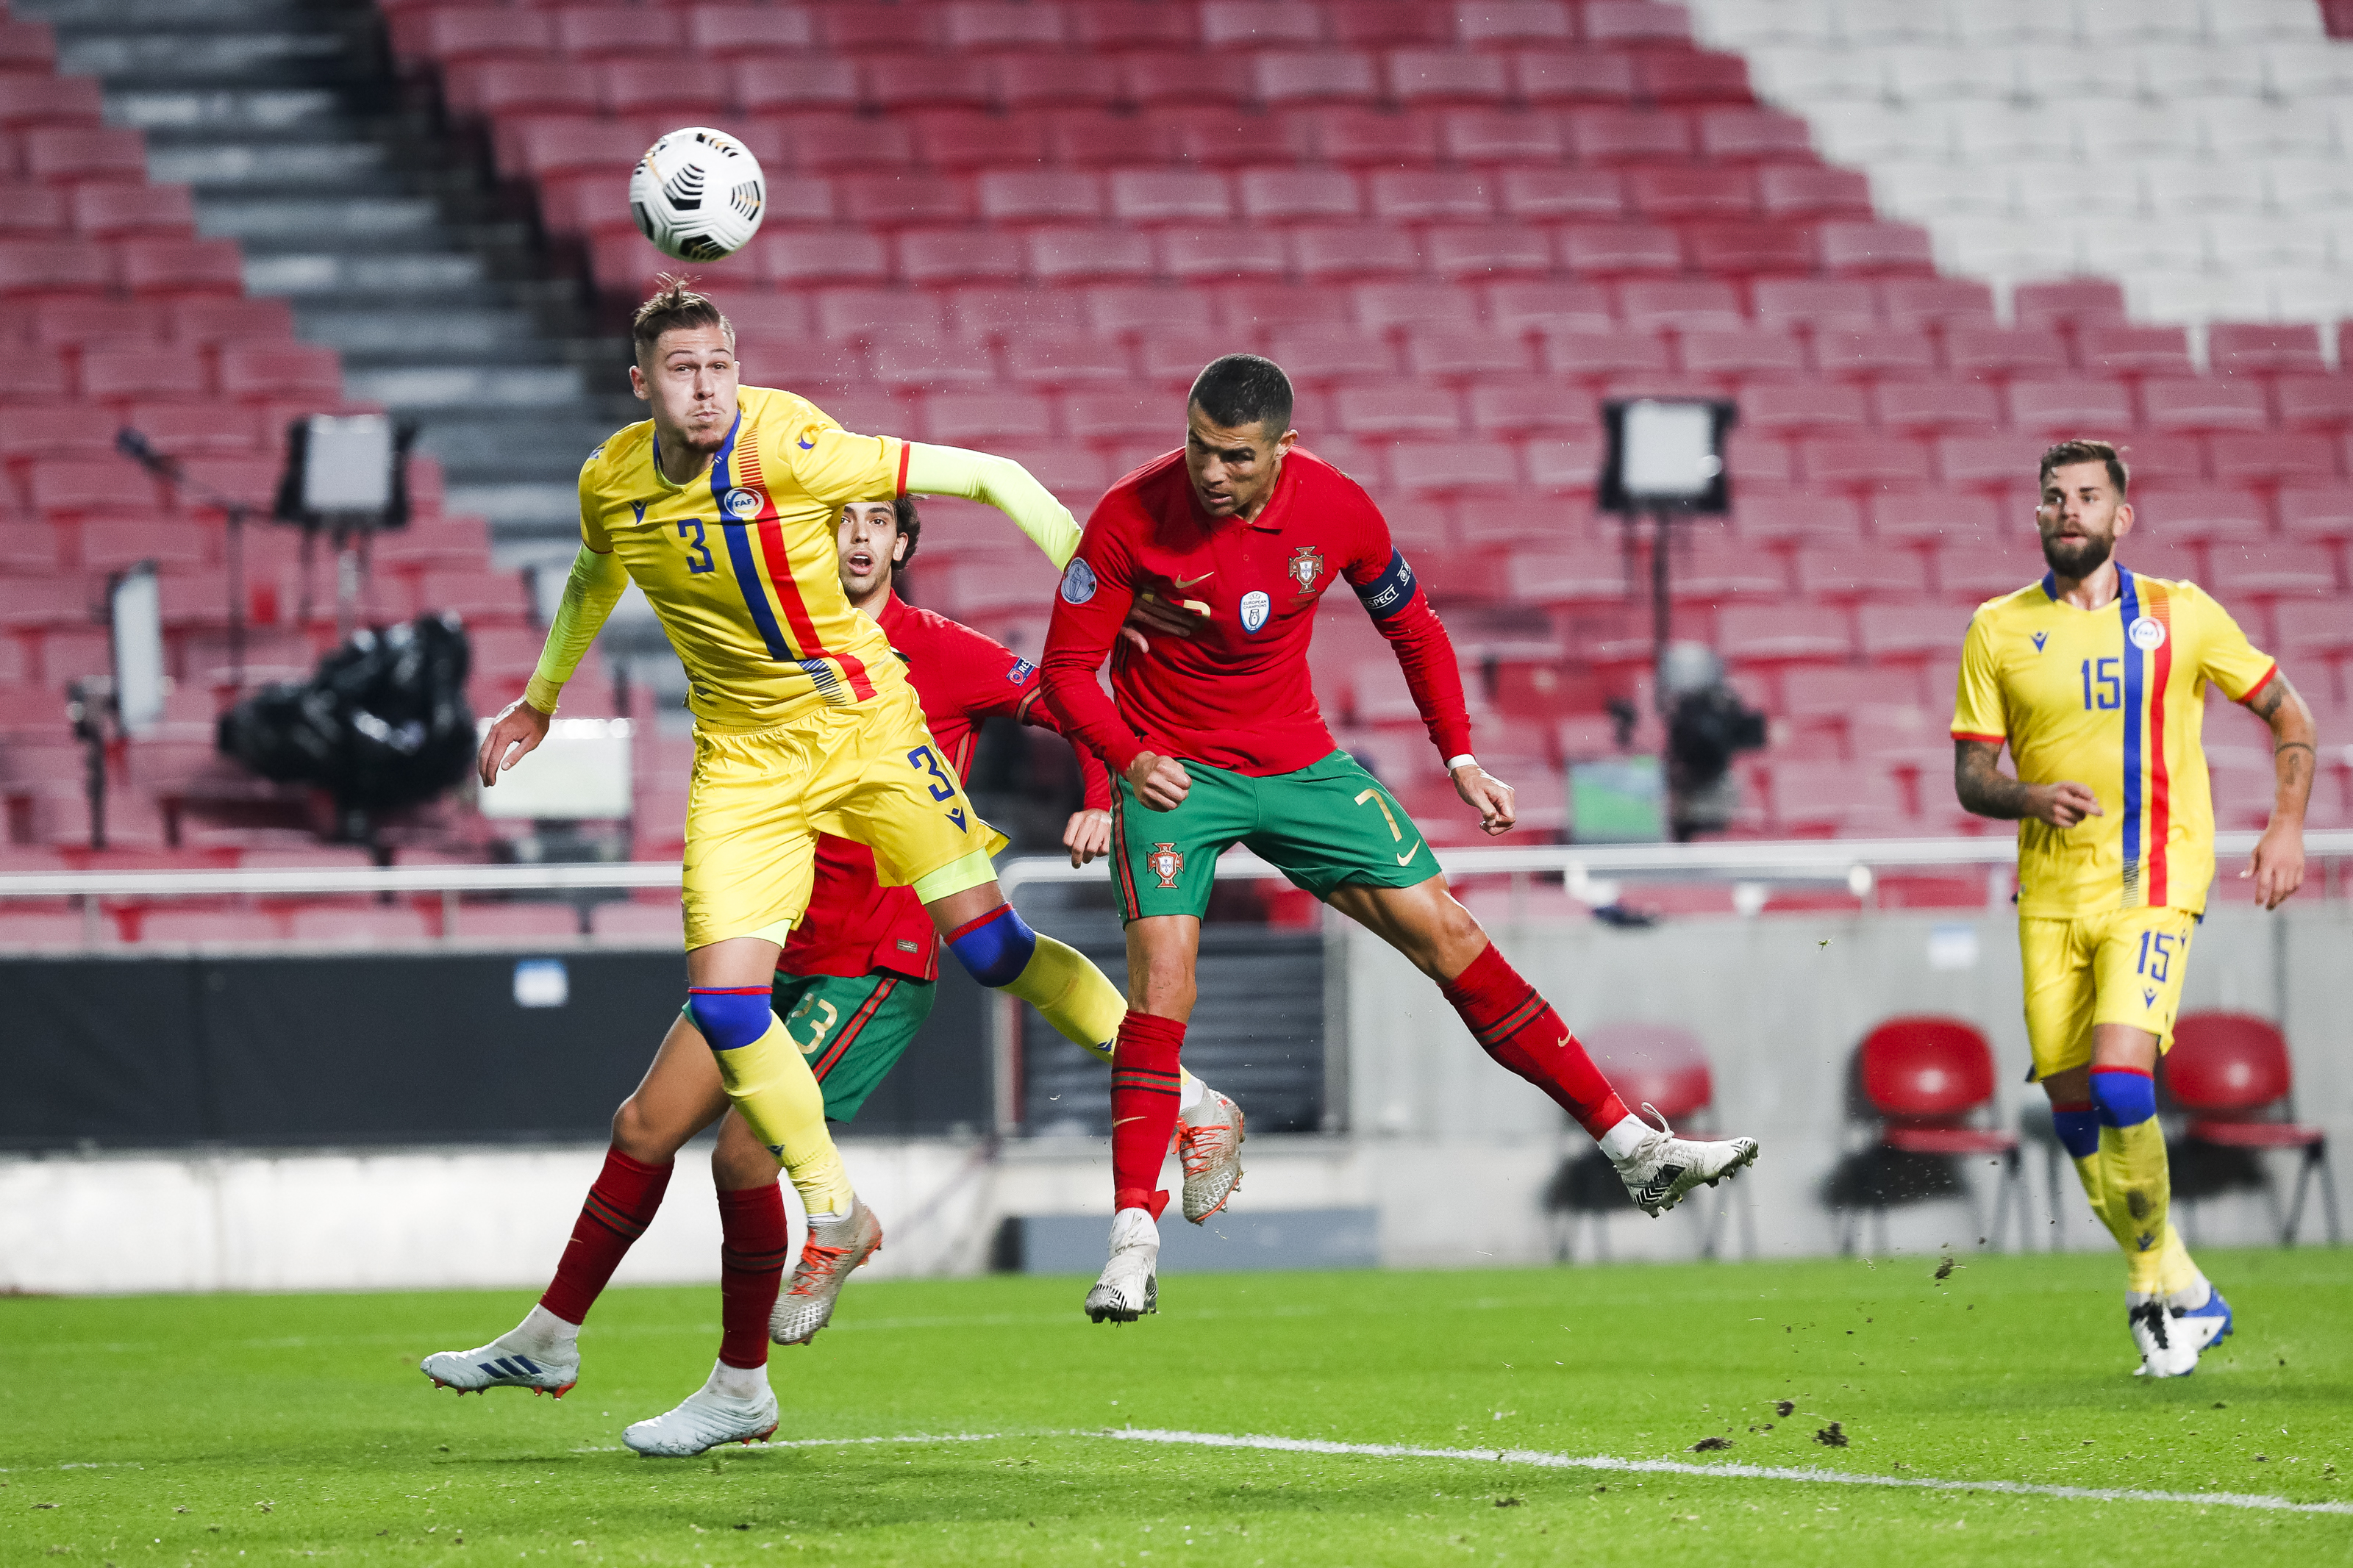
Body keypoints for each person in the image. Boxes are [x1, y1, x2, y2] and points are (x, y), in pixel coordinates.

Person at [423, 276, 1182, 1407]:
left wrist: (1092, 590)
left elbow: (995, 479)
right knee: (664, 1097)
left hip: (860, 740)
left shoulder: (794, 445)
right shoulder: (613, 481)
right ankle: (604, 1320)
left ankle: (1178, 1084)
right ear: (641, 386)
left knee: (985, 950)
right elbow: (597, 569)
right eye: (685, 370)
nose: (710, 387)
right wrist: (539, 699)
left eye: (722, 364)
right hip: (744, 765)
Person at [1038, 354, 1761, 1322]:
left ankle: (1633, 1147)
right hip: (1176, 773)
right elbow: (1068, 671)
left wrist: (1458, 755)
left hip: (1304, 769)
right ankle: (1133, 1237)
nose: (1211, 473)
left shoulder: (1338, 509)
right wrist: (1127, 757)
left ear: (1283, 449)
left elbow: (1413, 628)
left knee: (1452, 935)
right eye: (1200, 448)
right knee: (1164, 980)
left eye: (1236, 457)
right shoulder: (1130, 517)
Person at [1953, 437, 2314, 1378]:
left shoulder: (2179, 614)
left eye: (2085, 497)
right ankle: (2183, 1287)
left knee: (2121, 1086)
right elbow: (1970, 777)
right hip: (2049, 895)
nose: (2066, 509)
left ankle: (2149, 1285)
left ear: (2122, 517)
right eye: (2051, 497)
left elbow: (2288, 714)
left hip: (2155, 881)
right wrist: (2026, 797)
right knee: (2074, 1114)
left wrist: (2283, 828)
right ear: (2035, 516)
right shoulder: (1995, 629)